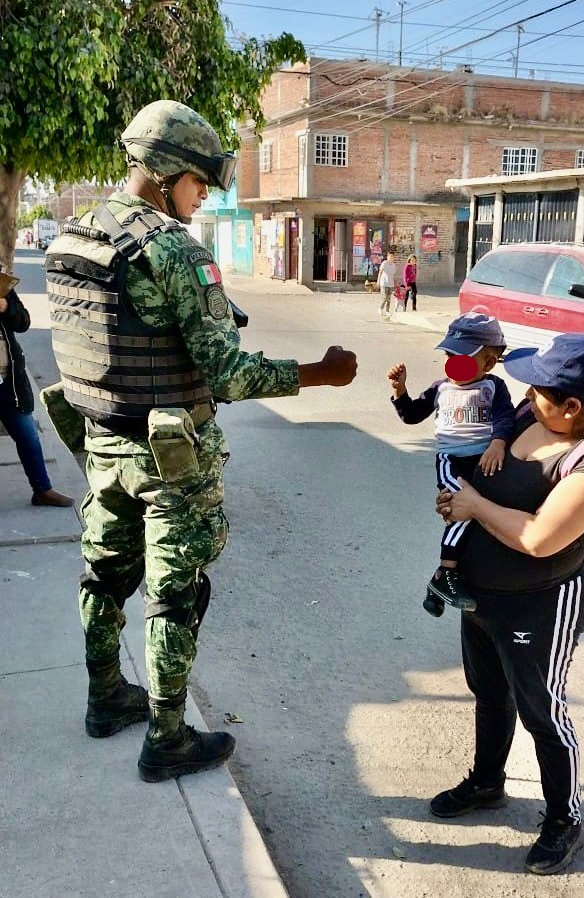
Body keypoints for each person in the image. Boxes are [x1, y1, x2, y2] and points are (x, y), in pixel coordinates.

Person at [42, 100, 357, 783]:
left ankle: (104, 697)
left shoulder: (73, 236)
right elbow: (230, 374)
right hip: (168, 457)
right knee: (173, 593)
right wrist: (321, 375)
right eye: (199, 181)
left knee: (102, 575)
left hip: (101, 445)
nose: (204, 194)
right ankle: (167, 735)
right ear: (164, 174)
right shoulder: (174, 250)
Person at [431, 333, 584, 875]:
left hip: (539, 604)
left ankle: (564, 819)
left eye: (541, 389)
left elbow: (541, 537)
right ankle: (487, 782)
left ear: (572, 406)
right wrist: (457, 499)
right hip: (481, 594)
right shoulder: (527, 416)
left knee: (542, 709)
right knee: (488, 692)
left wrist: (472, 505)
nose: (529, 393)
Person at [387, 313, 515, 616]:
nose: (453, 364)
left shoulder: (494, 387)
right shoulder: (440, 388)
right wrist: (399, 391)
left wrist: (498, 442)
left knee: (481, 515)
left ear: (488, 363)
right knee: (462, 509)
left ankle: (438, 583)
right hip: (451, 460)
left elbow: (505, 418)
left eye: (462, 358)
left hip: (485, 459)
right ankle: (446, 572)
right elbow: (411, 414)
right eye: (449, 356)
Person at [0, 283, 74, 508]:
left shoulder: (2, 287)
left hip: (8, 382)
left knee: (29, 438)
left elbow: (24, 322)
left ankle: (42, 490)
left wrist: (6, 307)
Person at [377, 249, 397, 319]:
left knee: (389, 298)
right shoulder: (384, 263)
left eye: (392, 256)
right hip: (384, 283)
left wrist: (395, 284)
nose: (391, 257)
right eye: (390, 256)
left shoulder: (394, 265)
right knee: (385, 297)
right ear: (388, 256)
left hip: (390, 284)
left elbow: (393, 275)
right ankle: (380, 308)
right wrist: (378, 281)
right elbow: (380, 272)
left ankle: (387, 311)